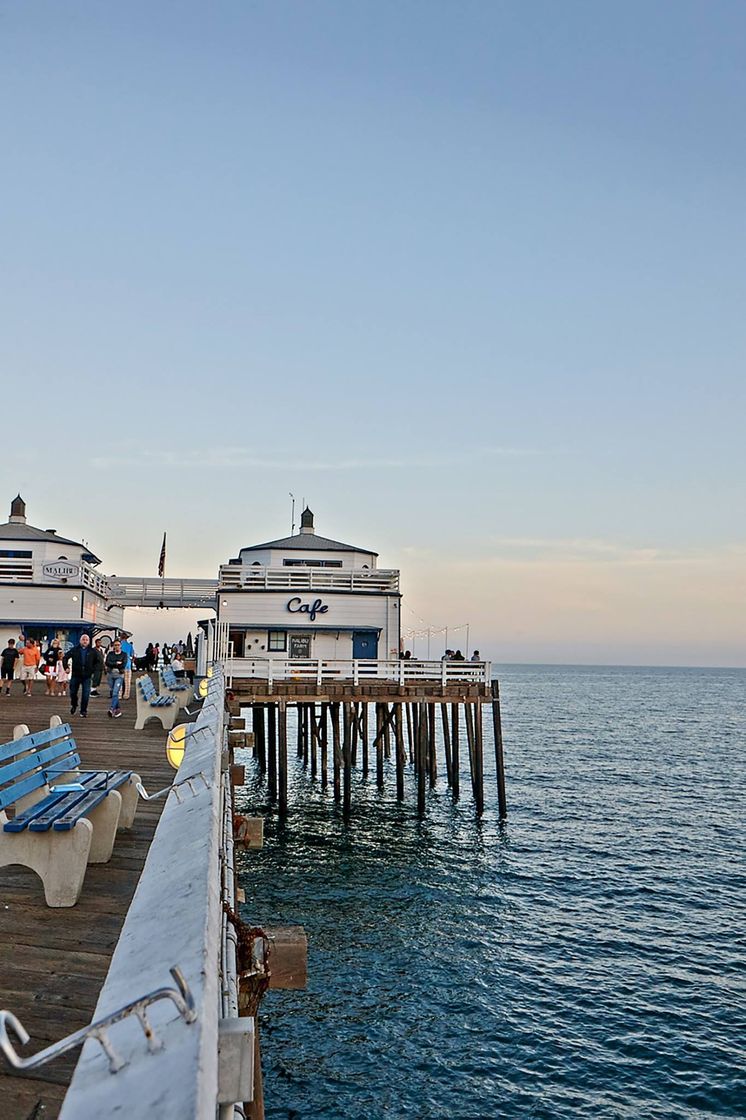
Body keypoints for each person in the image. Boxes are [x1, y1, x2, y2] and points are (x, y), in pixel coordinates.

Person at [64, 633, 95, 717]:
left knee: (86, 694)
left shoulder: (92, 651)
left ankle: (83, 710)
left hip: (87, 676)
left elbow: (98, 662)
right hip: (76, 675)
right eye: (83, 639)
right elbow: (65, 657)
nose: (85, 641)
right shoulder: (75, 650)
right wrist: (66, 667)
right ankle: (74, 704)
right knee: (73, 692)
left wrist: (94, 671)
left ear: (89, 641)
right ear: (80, 640)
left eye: (86, 640)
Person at [105, 639, 127, 719]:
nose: (117, 646)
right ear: (113, 646)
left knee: (115, 692)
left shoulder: (124, 655)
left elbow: (123, 665)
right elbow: (107, 662)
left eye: (118, 645)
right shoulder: (110, 654)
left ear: (120, 646)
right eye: (115, 645)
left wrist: (114, 664)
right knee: (112, 691)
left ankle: (112, 709)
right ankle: (118, 710)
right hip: (110, 675)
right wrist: (116, 663)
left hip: (119, 676)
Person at [119, 632, 134, 699]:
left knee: (119, 681)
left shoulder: (119, 645)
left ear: (121, 637)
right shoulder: (130, 645)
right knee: (127, 682)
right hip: (128, 665)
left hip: (120, 665)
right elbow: (132, 654)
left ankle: (119, 695)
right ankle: (126, 695)